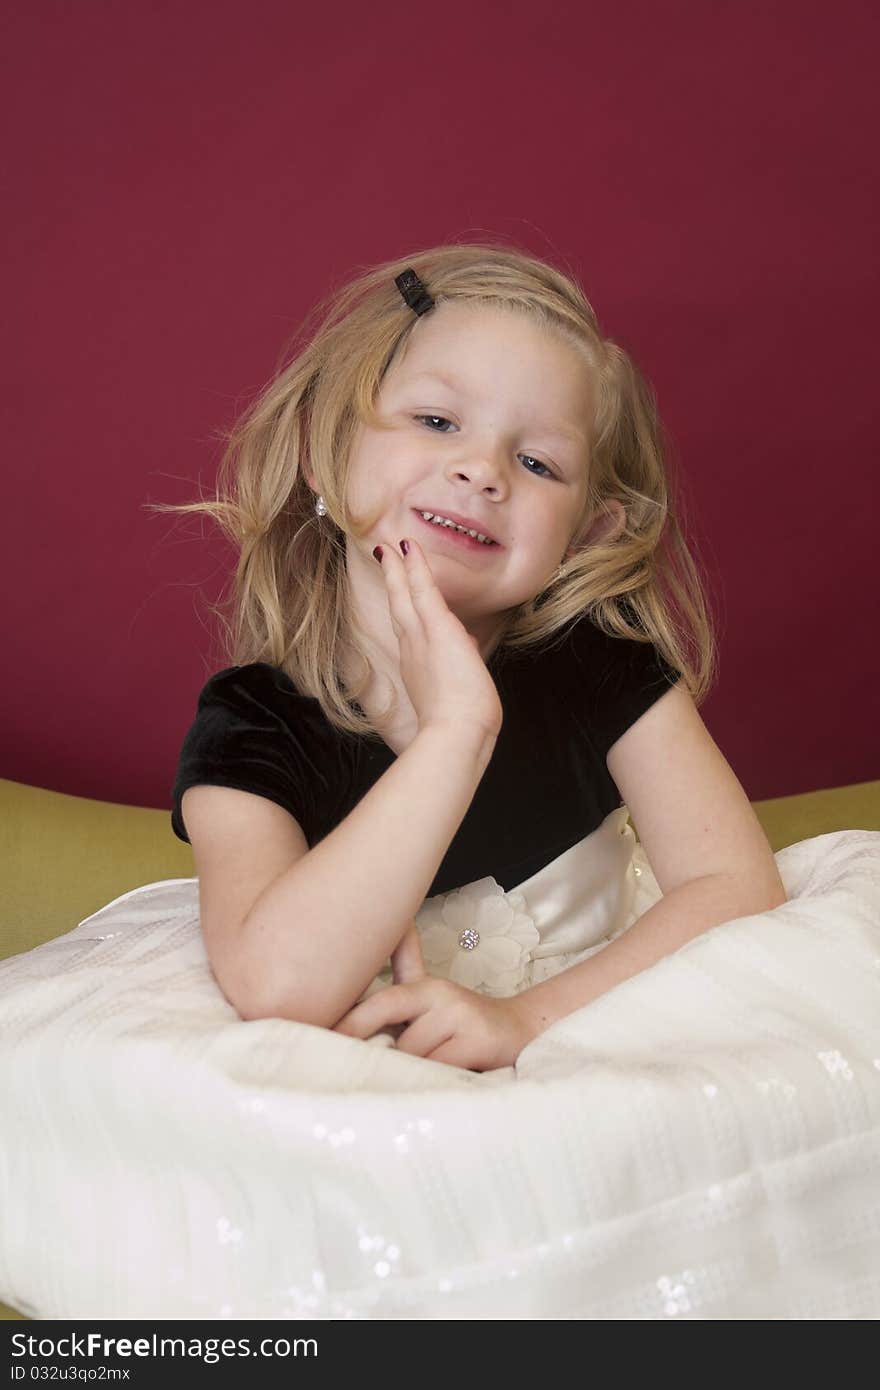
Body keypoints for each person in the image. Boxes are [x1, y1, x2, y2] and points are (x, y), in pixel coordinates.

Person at [165, 242, 786, 1073]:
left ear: (586, 533)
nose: (481, 470)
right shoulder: (253, 723)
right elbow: (278, 985)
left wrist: (524, 1023)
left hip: (589, 1049)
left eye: (538, 462)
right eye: (436, 421)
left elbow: (740, 888)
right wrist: (454, 732)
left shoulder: (599, 665)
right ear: (324, 447)